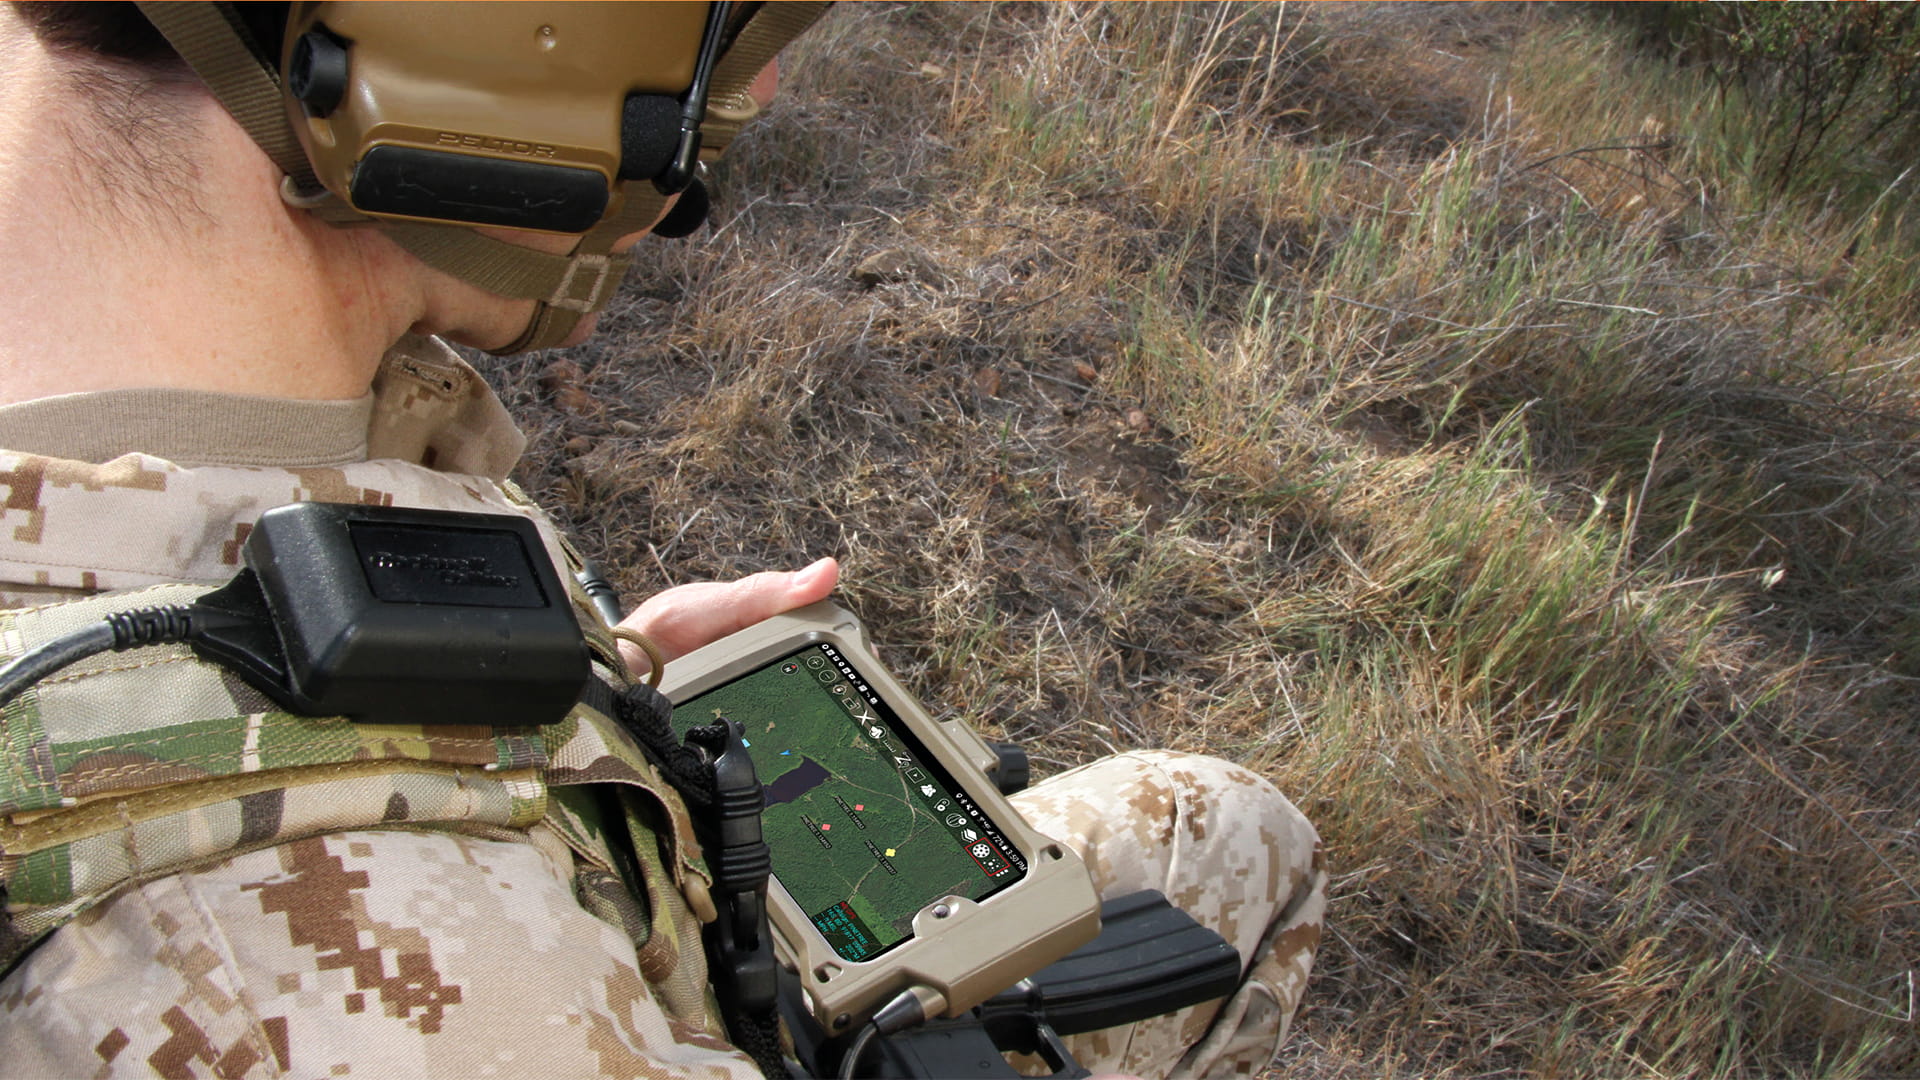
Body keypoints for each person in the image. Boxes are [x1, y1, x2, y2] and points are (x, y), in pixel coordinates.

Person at [0, 4, 1327, 1077]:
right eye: (718, 43)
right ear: (527, 46)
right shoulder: (406, 1009)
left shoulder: (179, 419)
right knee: (1244, 839)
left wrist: (595, 698)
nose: (727, 118)